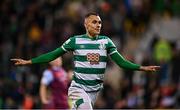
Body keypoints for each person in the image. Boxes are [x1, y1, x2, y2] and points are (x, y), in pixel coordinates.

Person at [11, 12, 160, 109]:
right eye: (94, 22)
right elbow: (53, 54)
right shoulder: (75, 41)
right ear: (86, 24)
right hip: (78, 88)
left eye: (100, 23)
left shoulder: (106, 42)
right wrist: (29, 61)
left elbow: (121, 62)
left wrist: (141, 68)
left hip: (95, 91)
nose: (98, 25)